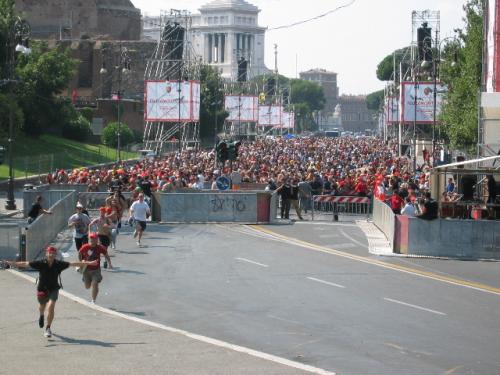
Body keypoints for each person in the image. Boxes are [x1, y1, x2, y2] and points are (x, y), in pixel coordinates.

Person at [5, 246, 97, 337]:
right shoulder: (41, 263)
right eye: (49, 253)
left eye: (53, 253)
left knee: (51, 306)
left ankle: (48, 328)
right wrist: (13, 263)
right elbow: (26, 263)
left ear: (55, 254)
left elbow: (72, 264)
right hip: (42, 288)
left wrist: (89, 263)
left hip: (54, 288)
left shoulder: (58, 264)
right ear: (46, 254)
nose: (51, 255)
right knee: (42, 307)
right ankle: (41, 315)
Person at [79, 232, 112, 304]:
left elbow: (106, 255)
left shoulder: (100, 247)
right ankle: (88, 281)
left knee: (95, 283)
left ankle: (93, 300)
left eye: (94, 238)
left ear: (97, 239)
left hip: (96, 270)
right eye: (90, 238)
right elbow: (80, 253)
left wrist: (109, 263)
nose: (92, 239)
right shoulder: (85, 247)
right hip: (86, 270)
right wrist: (81, 261)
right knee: (87, 286)